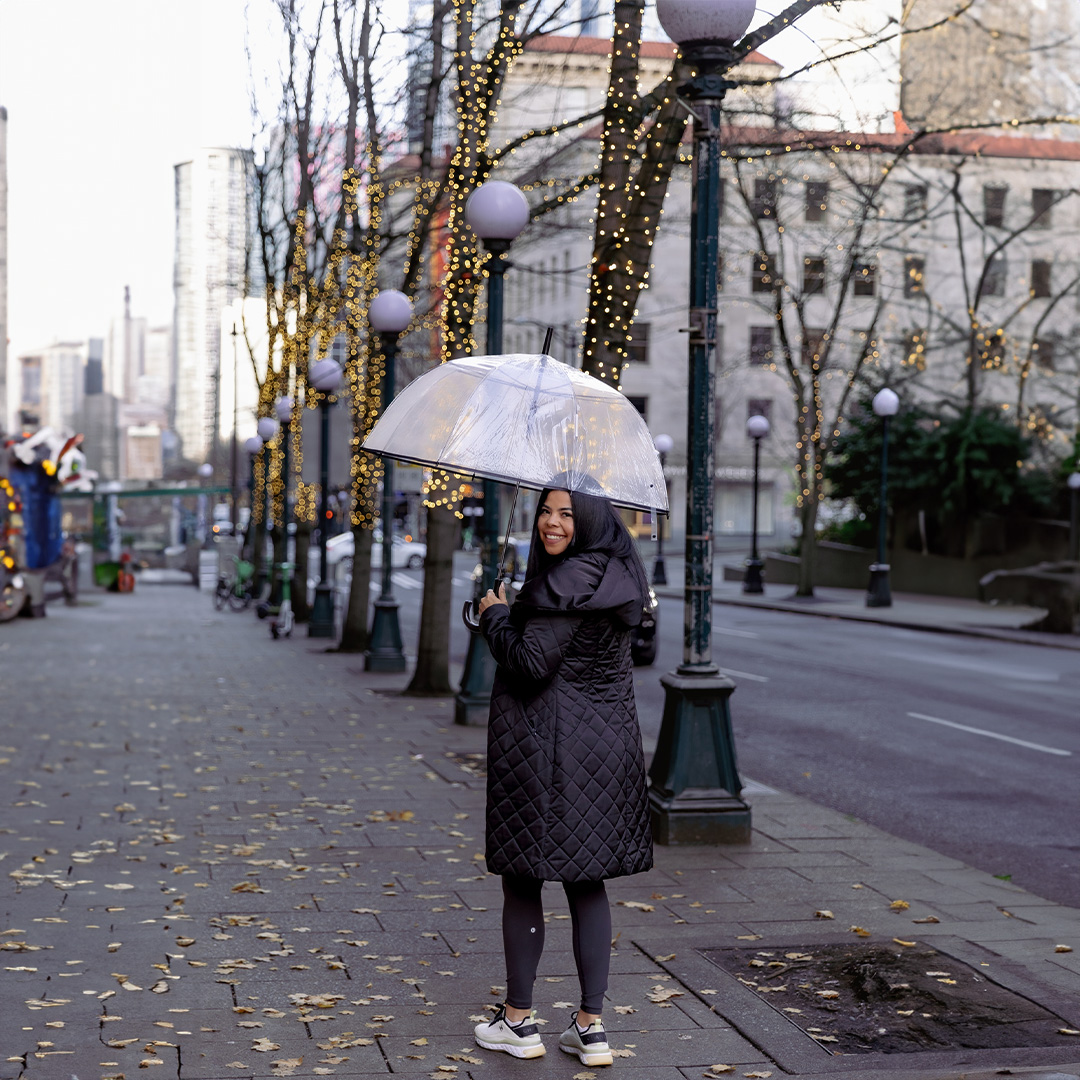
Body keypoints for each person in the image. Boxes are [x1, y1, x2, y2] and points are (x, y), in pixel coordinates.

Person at [472, 485, 654, 1066]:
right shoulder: (618, 576)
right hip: (605, 751)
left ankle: (519, 1022)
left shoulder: (562, 584)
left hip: (544, 751)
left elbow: (530, 664)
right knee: (587, 880)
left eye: (566, 515)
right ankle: (590, 1026)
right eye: (546, 512)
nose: (551, 523)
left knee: (524, 878)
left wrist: (496, 615)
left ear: (590, 520)